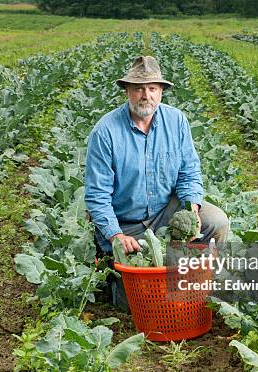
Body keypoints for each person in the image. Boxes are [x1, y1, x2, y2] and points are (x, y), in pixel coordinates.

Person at [84, 55, 229, 309]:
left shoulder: (176, 122)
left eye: (152, 89)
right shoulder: (105, 131)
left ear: (161, 92)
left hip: (166, 212)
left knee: (216, 222)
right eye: (139, 88)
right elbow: (97, 195)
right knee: (135, 305)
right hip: (127, 224)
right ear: (127, 91)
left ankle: (201, 283)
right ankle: (113, 269)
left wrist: (191, 209)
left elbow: (189, 171)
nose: (146, 95)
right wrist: (115, 234)